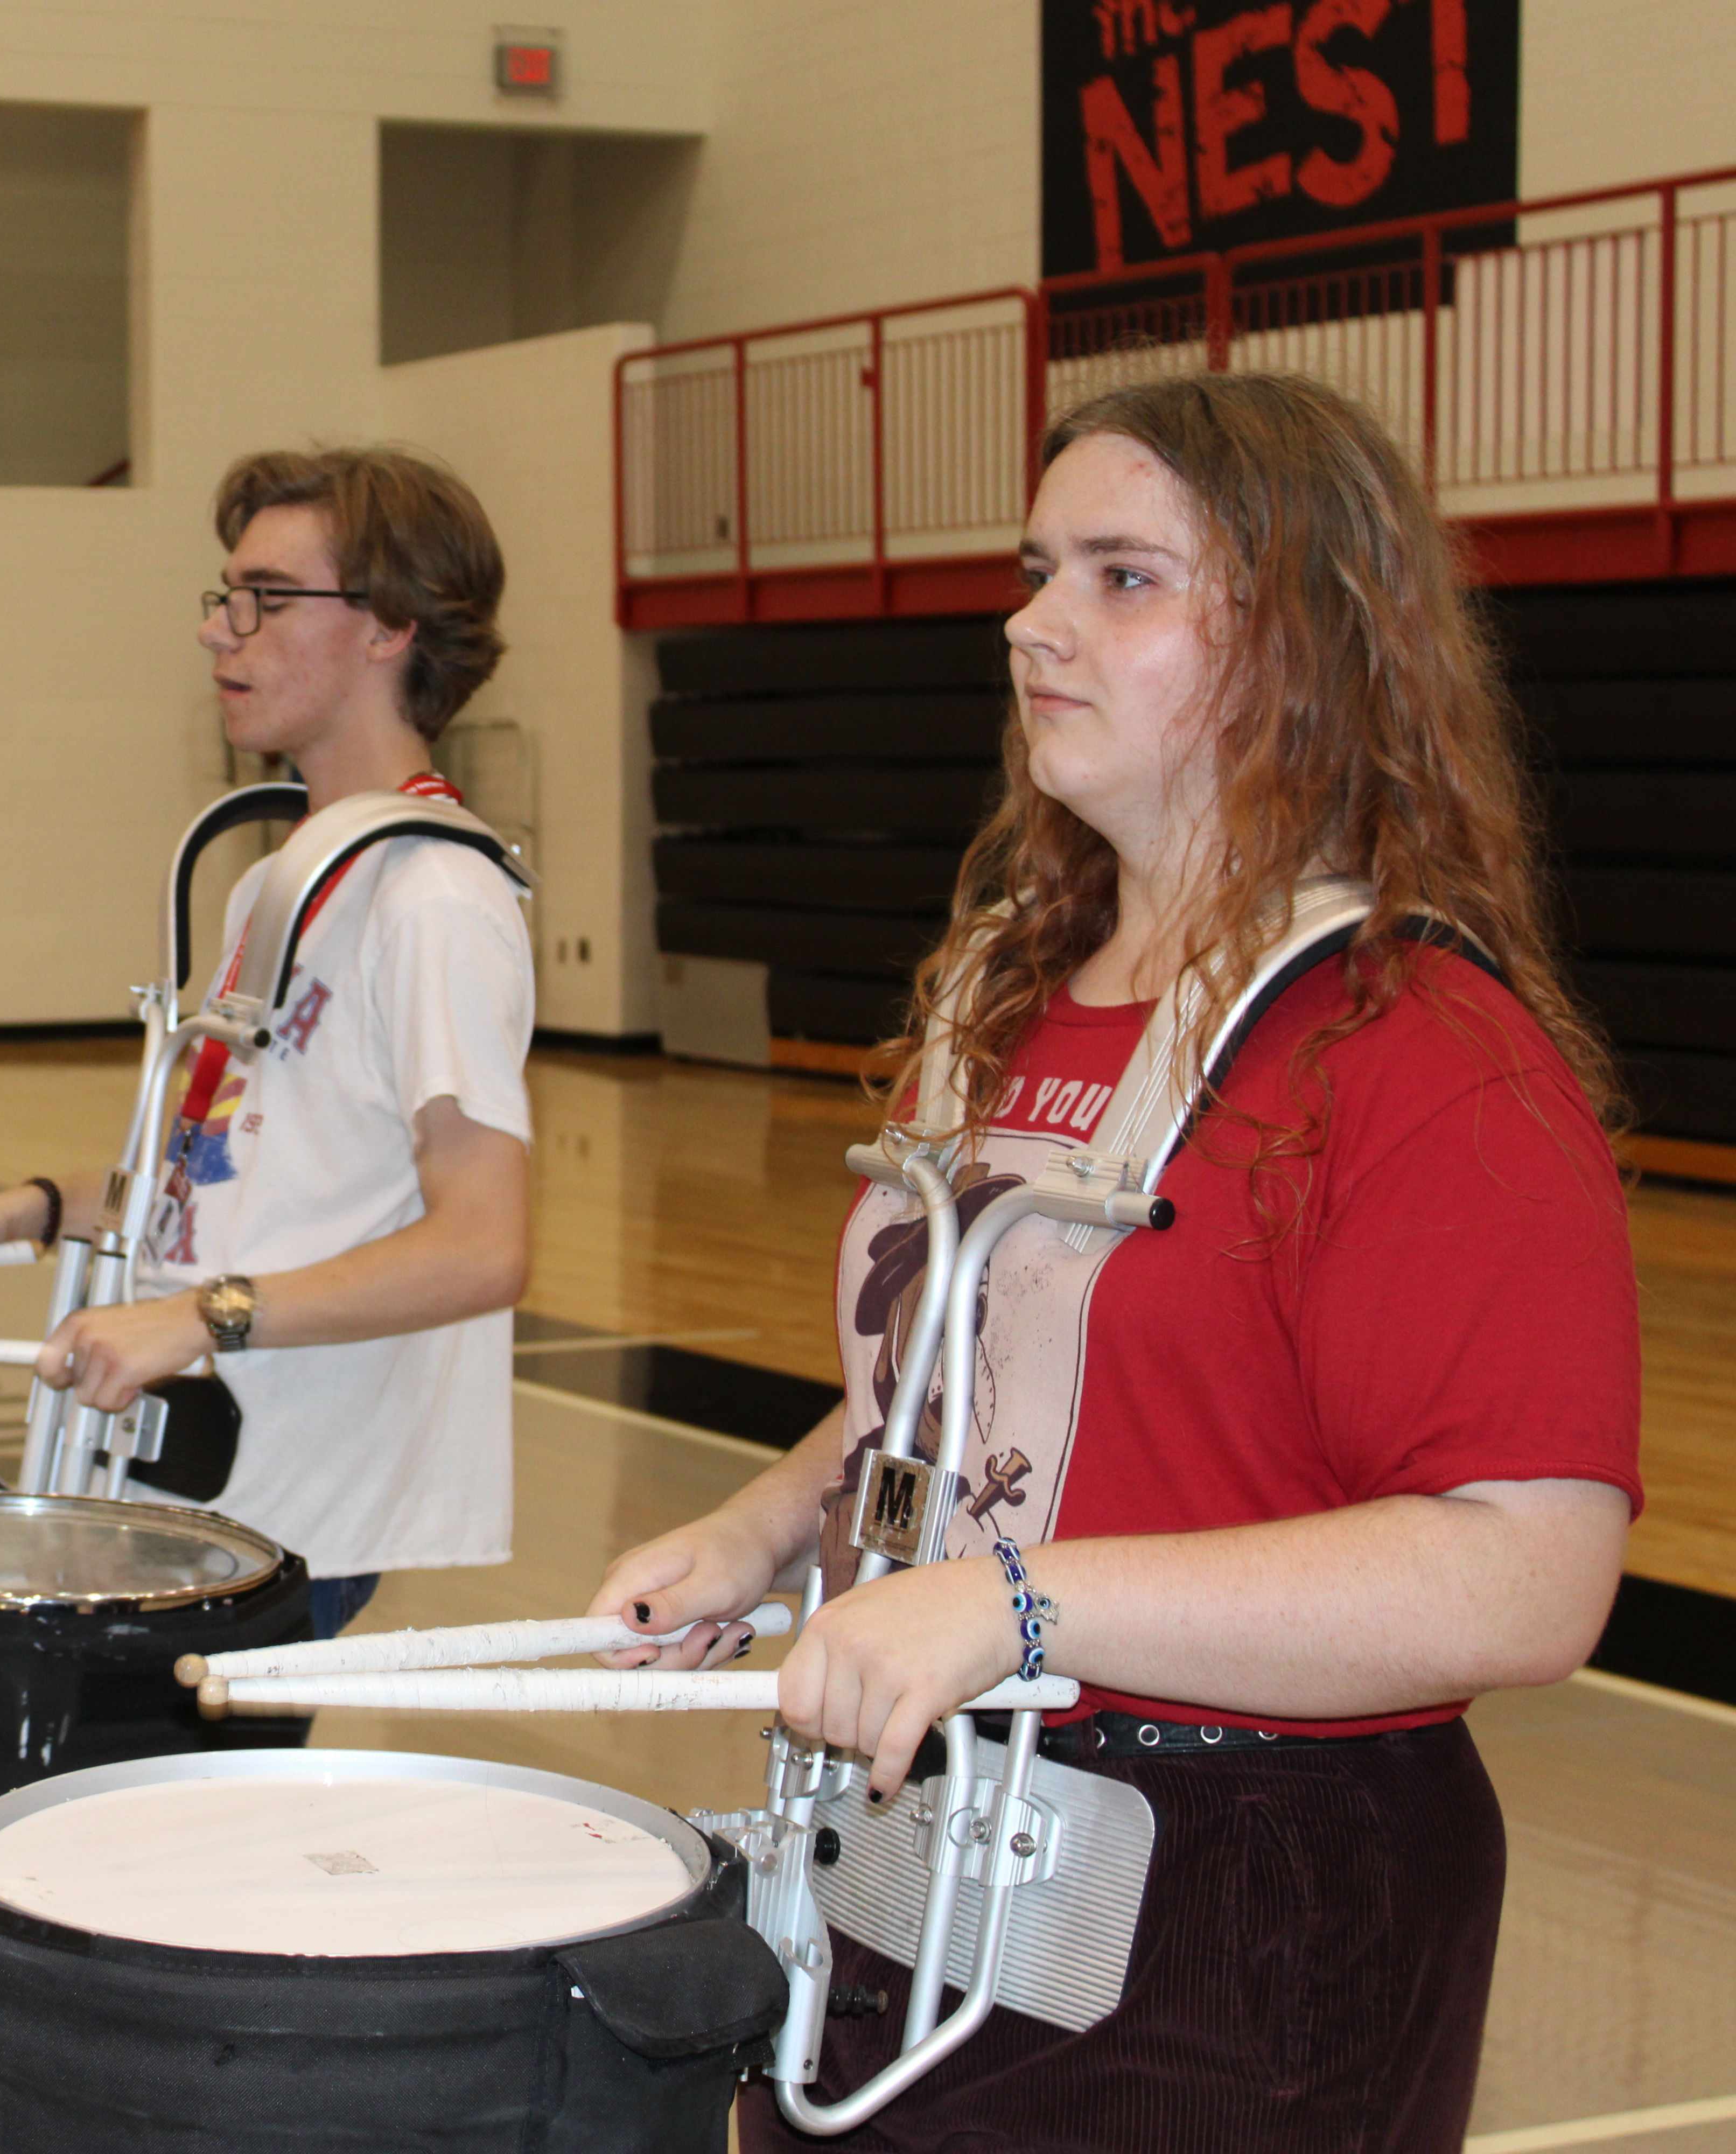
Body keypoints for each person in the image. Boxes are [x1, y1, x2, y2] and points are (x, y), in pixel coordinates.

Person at [591, 374, 1640, 2153]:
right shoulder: (1009, 982)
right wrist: (779, 1521)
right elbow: (977, 1380)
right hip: (939, 1823)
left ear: (1306, 642)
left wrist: (1010, 1608)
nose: (1031, 620)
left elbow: (1531, 1573)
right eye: (1035, 567)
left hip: (1247, 1896)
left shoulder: (1418, 1047)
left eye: (1122, 577)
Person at [0, 444, 535, 1646]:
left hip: (296, 1508)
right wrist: (28, 1208)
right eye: (224, 597)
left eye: (268, 599)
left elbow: (484, 1245)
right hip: (196, 1485)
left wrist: (199, 1317)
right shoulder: (283, 881)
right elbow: (233, 1174)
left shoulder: (436, 898)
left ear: (390, 625)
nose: (219, 632)